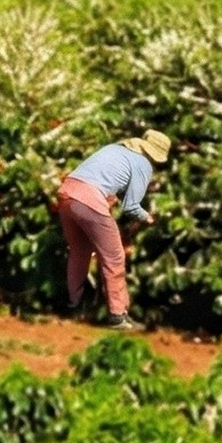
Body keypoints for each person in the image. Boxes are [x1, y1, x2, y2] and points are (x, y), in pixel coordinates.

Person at [57, 130, 170, 331]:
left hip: (66, 193)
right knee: (114, 256)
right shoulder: (141, 164)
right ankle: (118, 316)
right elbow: (131, 206)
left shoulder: (114, 149)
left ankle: (73, 305)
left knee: (79, 252)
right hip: (88, 199)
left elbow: (102, 185)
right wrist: (148, 218)